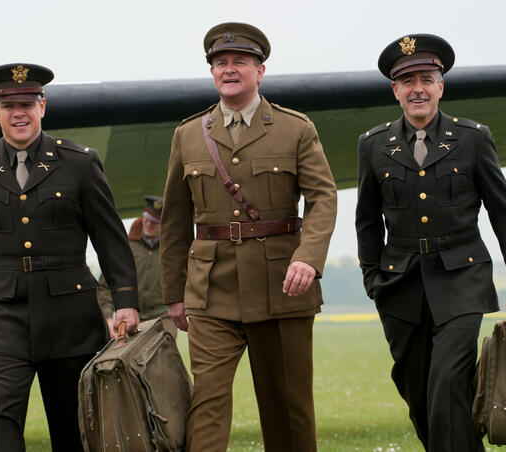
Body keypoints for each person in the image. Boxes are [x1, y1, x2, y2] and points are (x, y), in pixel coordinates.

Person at [0, 63, 140, 452]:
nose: (18, 112)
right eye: (8, 105)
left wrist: (125, 302)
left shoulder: (79, 163)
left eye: (27, 103)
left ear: (43, 107)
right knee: (2, 412)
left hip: (70, 314)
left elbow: (110, 238)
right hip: (3, 312)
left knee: (72, 421)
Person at [160, 22, 337, 452]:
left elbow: (322, 198)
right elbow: (175, 221)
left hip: (282, 286)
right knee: (207, 402)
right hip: (211, 288)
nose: (229, 69)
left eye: (240, 61)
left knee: (287, 409)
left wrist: (308, 258)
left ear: (260, 71)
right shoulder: (188, 134)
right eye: (220, 63)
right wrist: (174, 293)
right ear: (212, 73)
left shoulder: (295, 128)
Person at [355, 34, 506, 451]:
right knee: (416, 391)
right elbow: (366, 220)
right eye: (408, 80)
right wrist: (372, 279)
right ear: (395, 89)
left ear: (441, 85)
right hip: (399, 285)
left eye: (427, 78)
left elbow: (504, 211)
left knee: (449, 381)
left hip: (462, 279)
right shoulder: (374, 145)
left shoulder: (472, 138)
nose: (417, 87)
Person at [97, 195, 173, 337]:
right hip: (129, 317)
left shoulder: (172, 250)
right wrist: (107, 317)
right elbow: (105, 286)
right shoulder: (125, 246)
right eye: (147, 219)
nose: (149, 224)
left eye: (155, 222)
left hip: (163, 317)